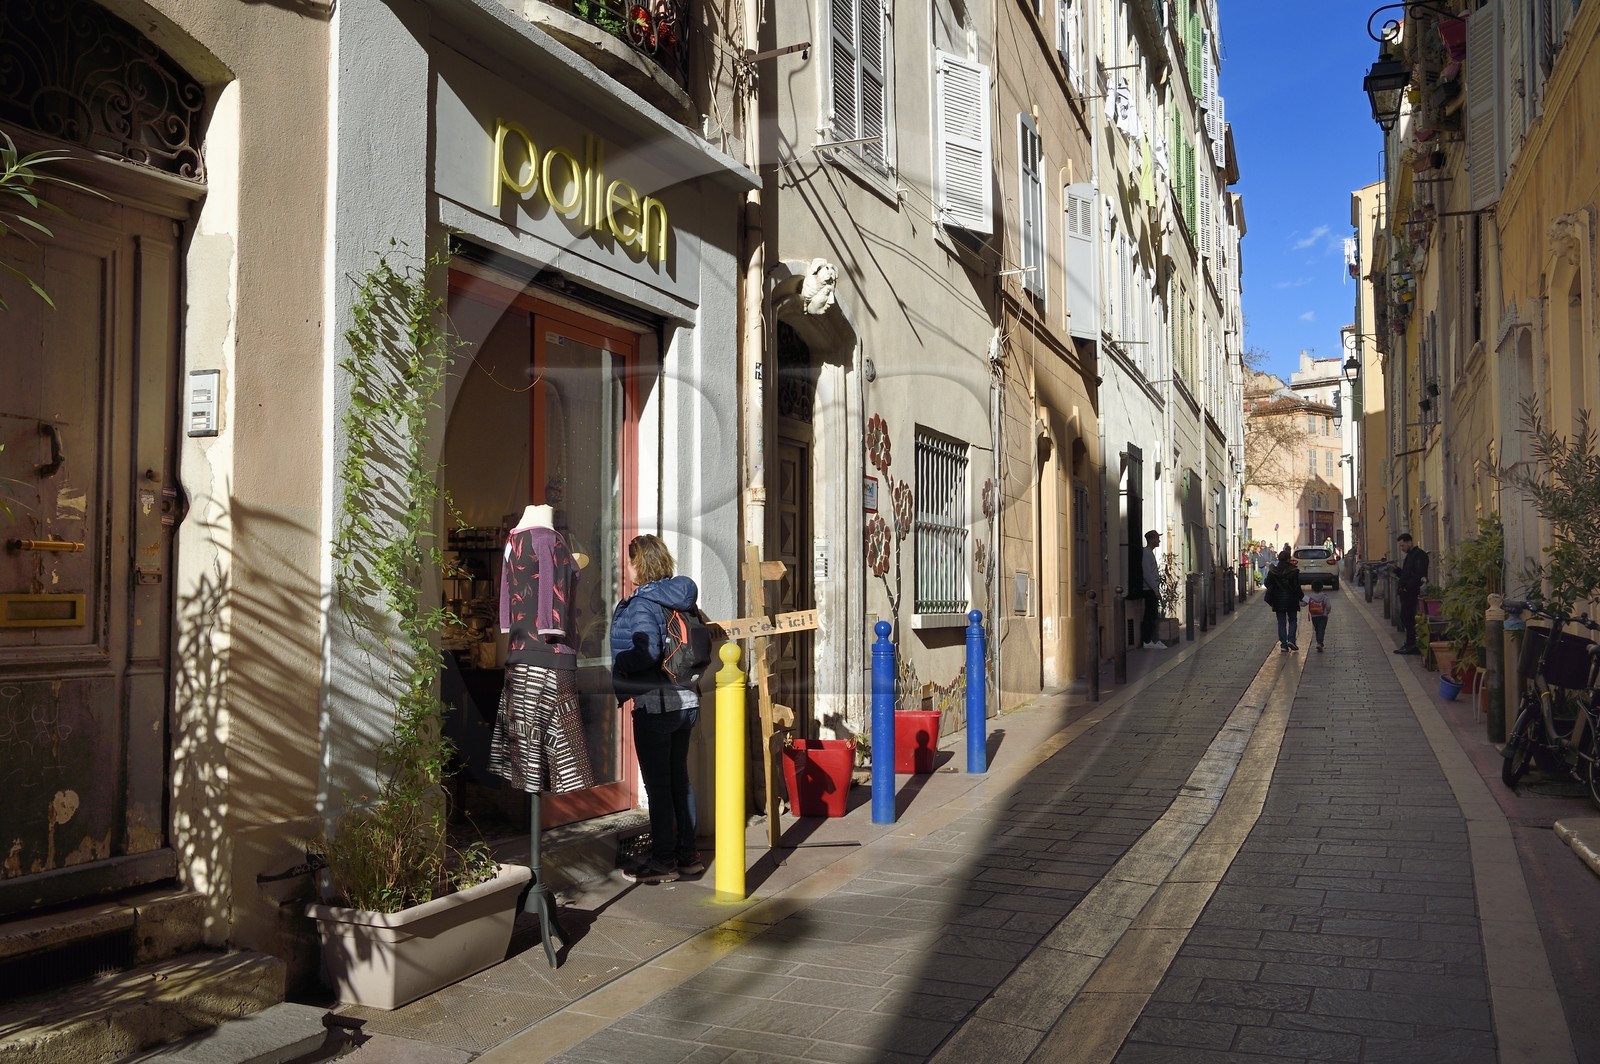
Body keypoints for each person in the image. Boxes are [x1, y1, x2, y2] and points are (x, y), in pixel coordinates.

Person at [611, 534, 704, 884]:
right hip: (687, 701)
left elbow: (646, 652)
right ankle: (689, 857)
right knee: (679, 780)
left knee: (659, 786)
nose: (627, 567)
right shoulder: (679, 599)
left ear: (642, 564)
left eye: (631, 560)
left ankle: (664, 858)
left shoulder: (642, 603)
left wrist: (620, 665)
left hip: (655, 705)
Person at [1394, 532, 1429, 654]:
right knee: (1406, 616)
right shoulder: (1410, 556)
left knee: (1407, 616)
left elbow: (1418, 575)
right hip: (1406, 591)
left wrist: (1407, 586)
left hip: (1412, 592)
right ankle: (1410, 643)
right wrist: (1397, 571)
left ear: (1409, 542)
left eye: (1403, 545)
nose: (1402, 549)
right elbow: (1406, 573)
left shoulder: (1420, 556)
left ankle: (1412, 644)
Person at [1264, 547, 1302, 652]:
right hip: (1291, 599)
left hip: (1278, 599)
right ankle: (1291, 640)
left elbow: (1267, 583)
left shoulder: (1273, 571)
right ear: (1289, 559)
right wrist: (1302, 598)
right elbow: (1296, 587)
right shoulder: (1294, 571)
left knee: (1281, 621)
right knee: (1293, 619)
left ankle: (1283, 645)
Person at [1140, 530, 1166, 649]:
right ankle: (1147, 640)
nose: (1159, 540)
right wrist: (1155, 590)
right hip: (1149, 589)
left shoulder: (1149, 553)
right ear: (1151, 540)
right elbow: (1147, 574)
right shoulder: (1146, 553)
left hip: (1151, 588)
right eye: (1157, 538)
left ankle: (1153, 640)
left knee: (1153, 614)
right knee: (1150, 615)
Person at [1304, 585, 1333, 652]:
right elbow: (1328, 606)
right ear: (1321, 588)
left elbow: (1302, 603)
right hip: (1323, 616)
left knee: (1317, 629)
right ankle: (1319, 643)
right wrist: (1327, 612)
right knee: (1321, 629)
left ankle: (1318, 642)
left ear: (1312, 588)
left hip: (1314, 616)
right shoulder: (1324, 596)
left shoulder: (1310, 596)